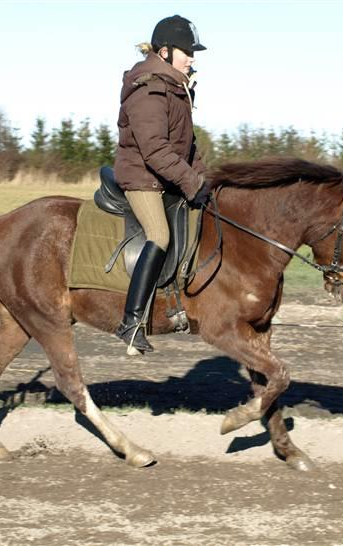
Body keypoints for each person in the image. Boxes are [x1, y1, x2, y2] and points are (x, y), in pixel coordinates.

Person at [113, 15, 212, 353]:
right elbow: (155, 150)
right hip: (143, 178)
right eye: (188, 51)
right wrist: (189, 181)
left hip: (165, 176)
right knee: (160, 234)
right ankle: (132, 322)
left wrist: (204, 181)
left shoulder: (176, 88)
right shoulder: (149, 87)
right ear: (166, 52)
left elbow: (188, 146)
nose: (193, 58)